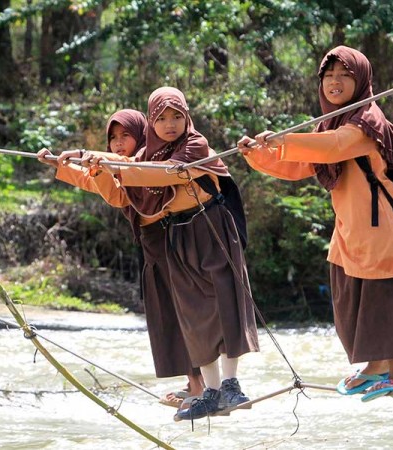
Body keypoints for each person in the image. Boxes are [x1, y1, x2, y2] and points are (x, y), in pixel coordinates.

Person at [237, 46, 393, 404]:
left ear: (361, 79)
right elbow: (301, 165)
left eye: (344, 75)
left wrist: (284, 140)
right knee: (349, 295)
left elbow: (334, 148)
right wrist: (259, 155)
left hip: (378, 225)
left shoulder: (368, 120)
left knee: (379, 299)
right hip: (349, 228)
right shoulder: (330, 122)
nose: (334, 82)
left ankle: (378, 369)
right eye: (328, 76)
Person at [79, 87, 260, 420]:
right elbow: (128, 171)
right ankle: (211, 390)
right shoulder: (149, 152)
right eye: (161, 118)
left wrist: (107, 163)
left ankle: (232, 384)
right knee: (193, 313)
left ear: (187, 116)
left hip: (213, 227)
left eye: (177, 116)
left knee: (225, 301)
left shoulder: (196, 145)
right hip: (179, 233)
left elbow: (159, 172)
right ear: (151, 122)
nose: (170, 124)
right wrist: (74, 163)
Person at [37, 109, 205, 407]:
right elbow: (100, 185)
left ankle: (201, 386)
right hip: (152, 246)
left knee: (184, 314)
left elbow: (118, 193)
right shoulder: (119, 167)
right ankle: (194, 384)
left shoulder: (148, 161)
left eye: (125, 135)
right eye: (112, 138)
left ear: (141, 134)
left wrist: (96, 162)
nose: (117, 143)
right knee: (168, 314)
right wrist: (60, 166)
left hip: (171, 241)